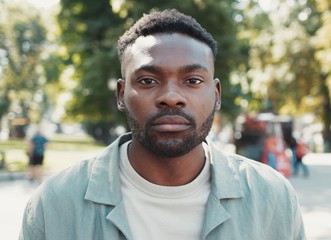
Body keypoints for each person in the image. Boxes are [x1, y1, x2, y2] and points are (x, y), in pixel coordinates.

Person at [20, 9, 305, 240]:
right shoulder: (55, 203)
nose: (171, 97)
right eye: (148, 81)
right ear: (122, 95)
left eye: (193, 81)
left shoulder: (272, 198)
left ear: (216, 95)